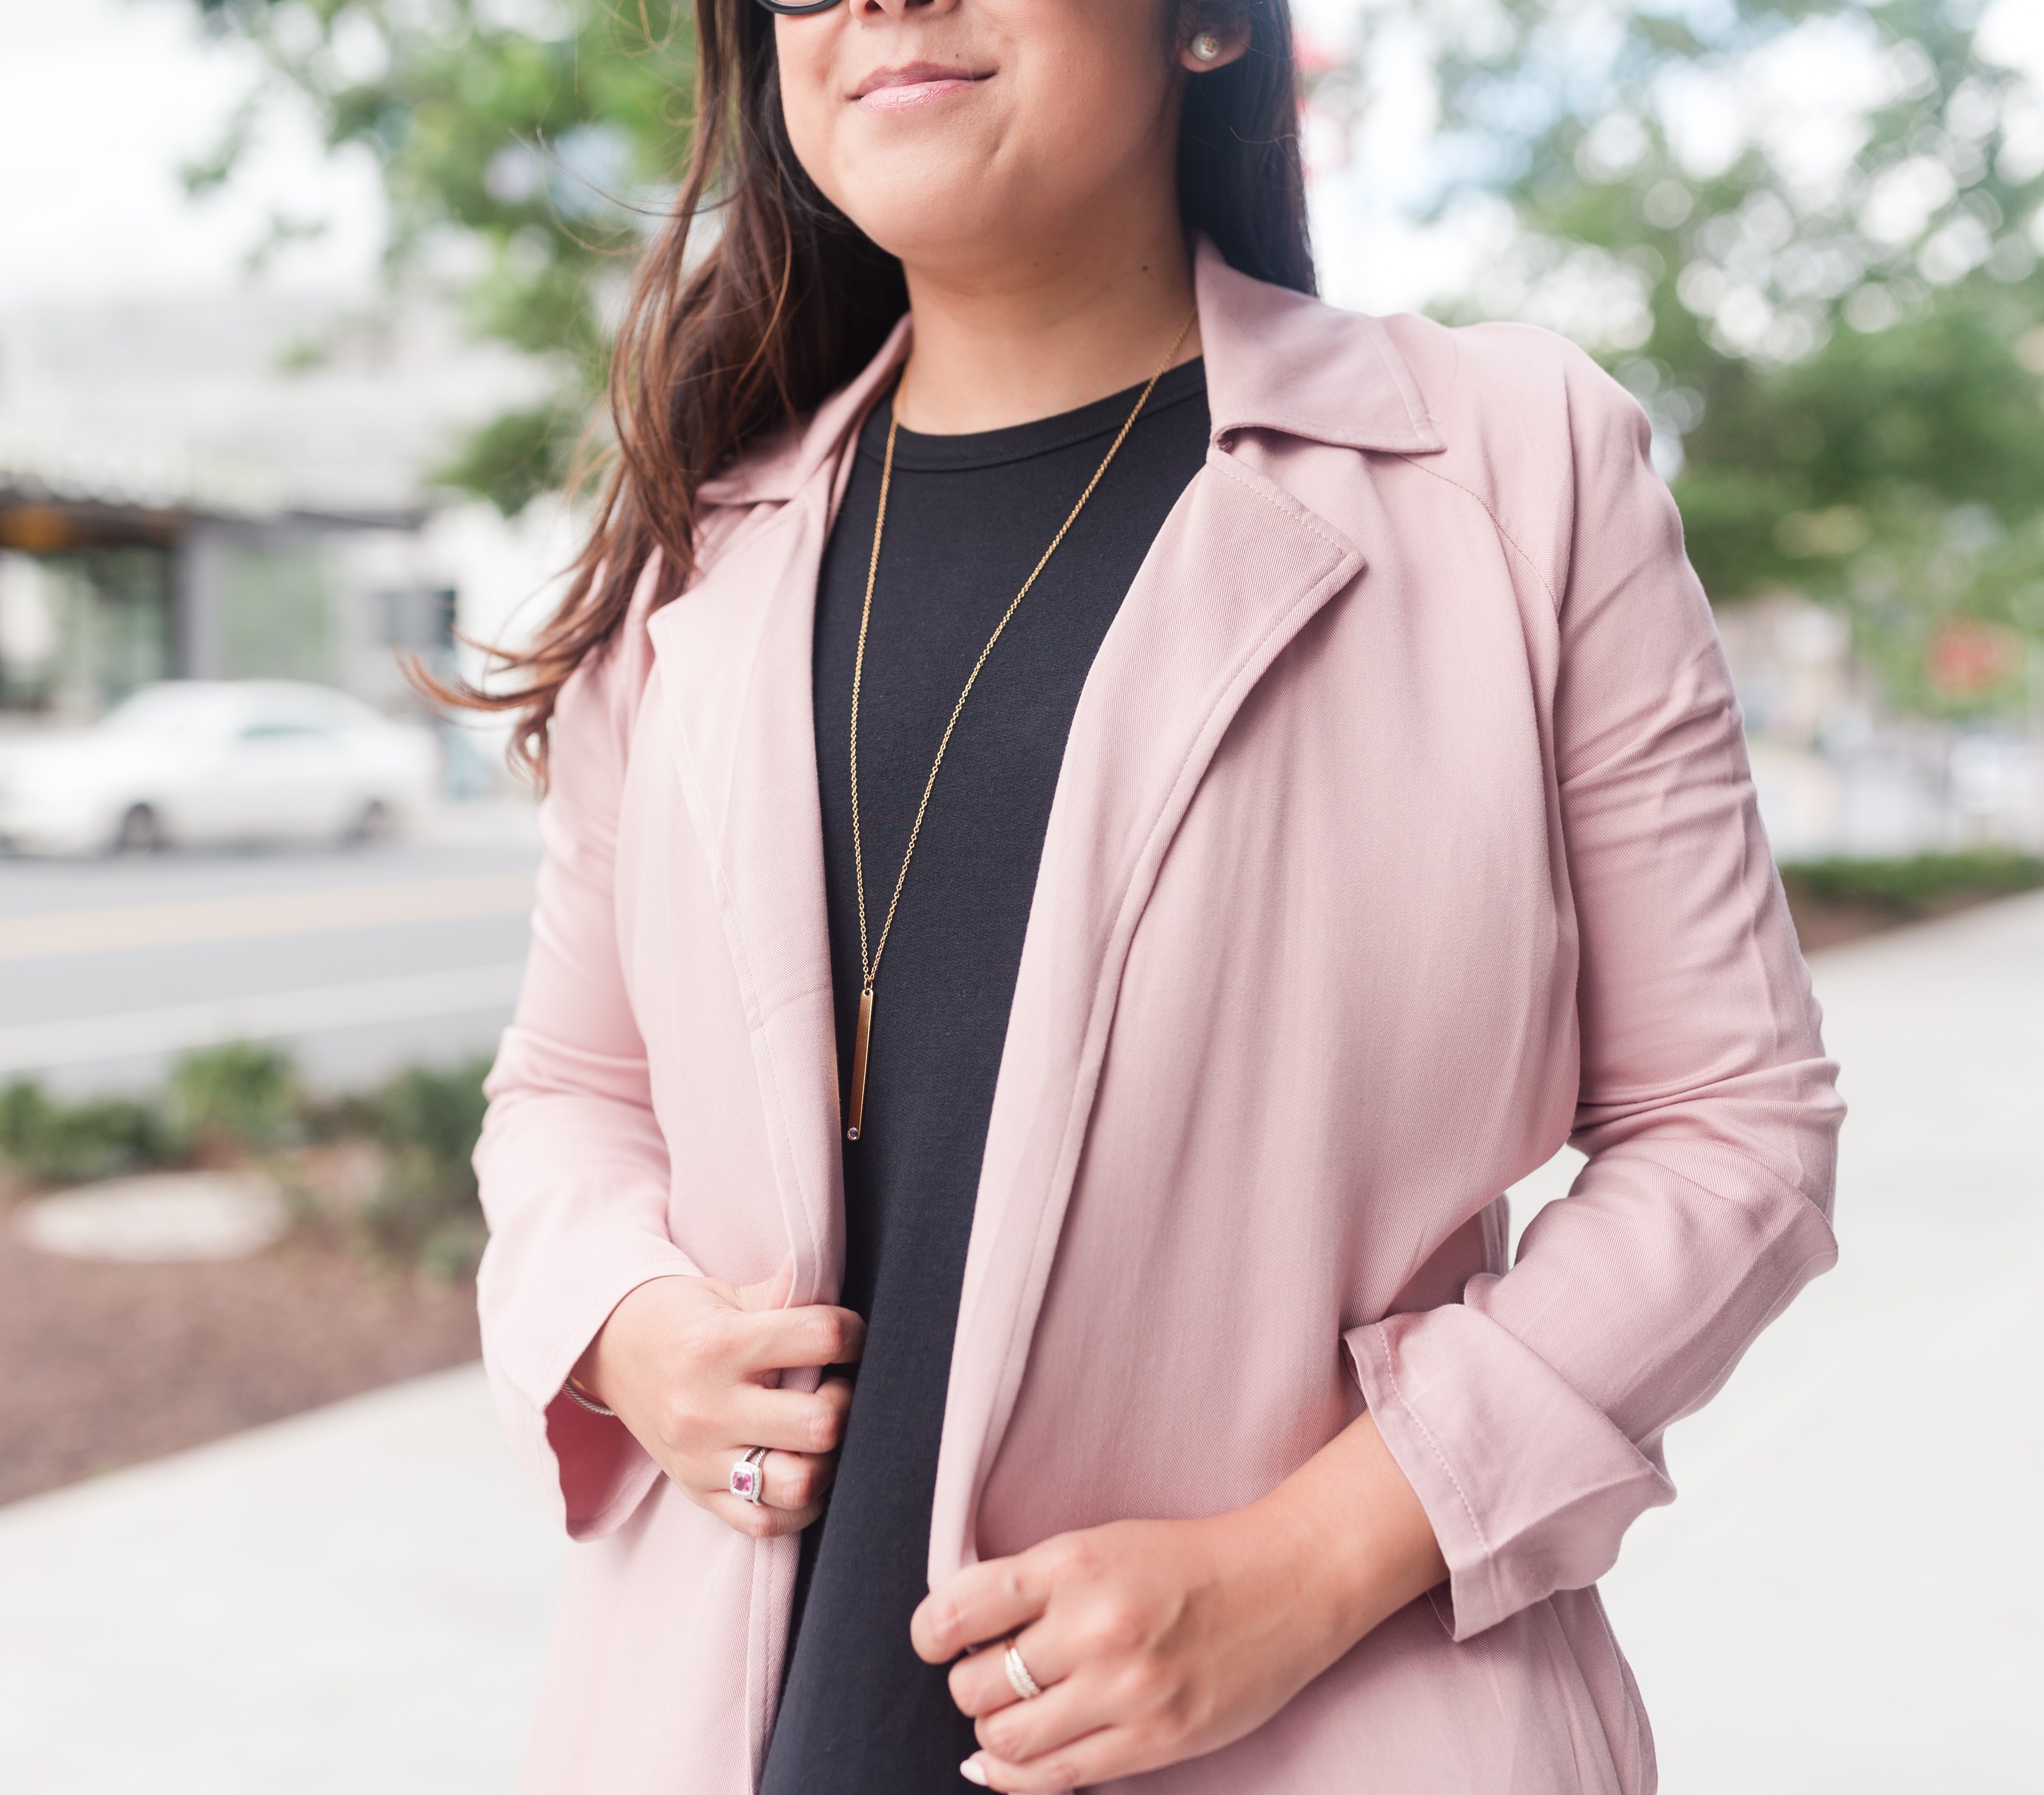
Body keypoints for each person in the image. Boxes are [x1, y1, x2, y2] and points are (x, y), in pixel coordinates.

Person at [461, 2, 1844, 1791]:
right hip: (738, 1730)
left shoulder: (1512, 470)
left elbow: (1733, 1131)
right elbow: (569, 1097)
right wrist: (632, 1329)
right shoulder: (695, 564)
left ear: (1204, 22)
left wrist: (1315, 1561)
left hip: (1335, 1725)